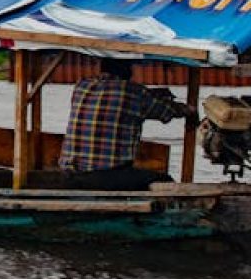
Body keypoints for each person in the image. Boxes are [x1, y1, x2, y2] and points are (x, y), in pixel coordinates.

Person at [58, 58, 195, 190]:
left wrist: (152, 94)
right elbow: (167, 109)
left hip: (70, 173)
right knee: (165, 181)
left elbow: (115, 96)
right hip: (105, 175)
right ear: (128, 70)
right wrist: (190, 110)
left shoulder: (81, 86)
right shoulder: (134, 92)